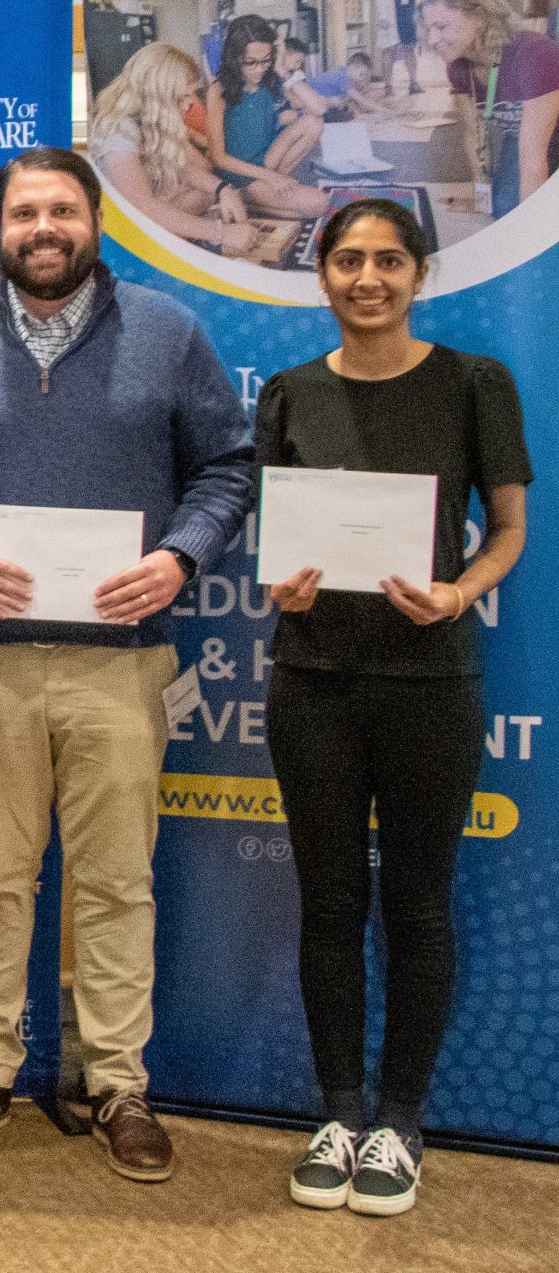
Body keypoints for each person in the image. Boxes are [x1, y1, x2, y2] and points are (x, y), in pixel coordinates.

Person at [0, 147, 252, 1184]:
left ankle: (114, 1080)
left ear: (93, 221)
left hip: (120, 660)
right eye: (22, 213)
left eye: (60, 210)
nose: (41, 229)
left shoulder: (169, 333)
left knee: (113, 879)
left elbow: (227, 466)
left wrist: (179, 556)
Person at [258, 199, 529, 1217]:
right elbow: (282, 536)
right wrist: (280, 584)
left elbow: (504, 527)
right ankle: (336, 1111)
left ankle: (399, 1120)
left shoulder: (472, 383)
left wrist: (461, 591)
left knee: (418, 902)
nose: (365, 278)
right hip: (312, 680)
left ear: (419, 272)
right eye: (345, 261)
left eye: (385, 261)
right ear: (320, 276)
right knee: (329, 903)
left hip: (430, 683)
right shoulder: (285, 392)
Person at [88, 43, 261, 257]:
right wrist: (220, 232)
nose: (190, 103)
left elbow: (180, 168)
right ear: (160, 93)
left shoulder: (149, 118)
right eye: (184, 96)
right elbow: (143, 209)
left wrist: (223, 189)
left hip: (145, 216)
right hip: (122, 237)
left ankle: (193, 241)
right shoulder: (118, 130)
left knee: (205, 193)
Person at [424, 0, 559, 217]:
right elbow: (475, 138)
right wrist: (483, 198)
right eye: (429, 28)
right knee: (502, 206)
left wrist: (528, 234)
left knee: (526, 214)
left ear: (480, 17)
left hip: (550, 139)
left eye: (441, 27)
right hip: (520, 136)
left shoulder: (534, 54)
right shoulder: (458, 68)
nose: (432, 40)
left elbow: (533, 156)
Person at [203, 15, 331, 219]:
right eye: (251, 63)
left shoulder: (269, 79)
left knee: (313, 122)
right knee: (319, 203)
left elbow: (318, 110)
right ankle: (245, 196)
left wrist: (281, 70)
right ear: (234, 58)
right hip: (239, 173)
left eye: (265, 61)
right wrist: (270, 177)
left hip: (266, 160)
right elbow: (218, 157)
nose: (260, 69)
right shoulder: (218, 91)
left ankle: (263, 194)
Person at [377, 0, 425, 97]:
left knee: (409, 48)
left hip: (405, 15)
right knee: (388, 51)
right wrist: (382, 17)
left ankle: (413, 82)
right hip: (390, 17)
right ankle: (387, 86)